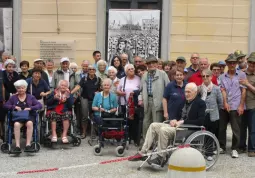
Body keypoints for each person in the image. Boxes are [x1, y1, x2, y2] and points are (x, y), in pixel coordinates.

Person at [129, 83, 206, 164]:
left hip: (187, 129)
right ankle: (143, 152)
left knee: (164, 130)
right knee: (153, 125)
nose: (186, 94)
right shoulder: (184, 102)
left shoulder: (200, 103)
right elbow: (178, 116)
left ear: (195, 92)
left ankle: (161, 157)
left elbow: (200, 121)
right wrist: (174, 120)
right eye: (185, 92)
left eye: (189, 92)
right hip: (178, 126)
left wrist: (183, 122)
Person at [218, 53, 246, 158]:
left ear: (237, 63)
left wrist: (241, 105)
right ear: (227, 64)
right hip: (224, 105)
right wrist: (225, 103)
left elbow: (243, 91)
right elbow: (222, 90)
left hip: (236, 105)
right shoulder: (222, 76)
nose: (232, 64)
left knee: (236, 128)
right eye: (230, 63)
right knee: (222, 128)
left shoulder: (242, 75)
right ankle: (222, 146)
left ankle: (235, 148)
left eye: (234, 63)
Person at [4, 80, 42, 153]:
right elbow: (5, 105)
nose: (21, 89)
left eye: (22, 88)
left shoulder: (31, 97)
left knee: (30, 123)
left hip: (29, 116)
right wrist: (14, 107)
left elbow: (39, 105)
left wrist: (30, 108)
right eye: (19, 88)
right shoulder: (13, 97)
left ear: (25, 88)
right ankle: (17, 146)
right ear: (16, 89)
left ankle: (28, 145)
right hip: (18, 117)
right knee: (16, 124)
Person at [139, 56, 170, 138]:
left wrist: (165, 103)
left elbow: (168, 89)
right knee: (146, 122)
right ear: (147, 65)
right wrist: (140, 99)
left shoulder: (163, 74)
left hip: (158, 101)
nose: (151, 65)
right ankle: (146, 143)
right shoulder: (145, 75)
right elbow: (140, 90)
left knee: (157, 123)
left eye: (153, 63)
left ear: (157, 64)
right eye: (149, 63)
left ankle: (156, 144)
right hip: (147, 101)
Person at [71, 65, 101, 138]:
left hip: (94, 99)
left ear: (95, 71)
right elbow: (78, 87)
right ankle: (84, 132)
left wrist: (99, 92)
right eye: (90, 69)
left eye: (93, 69)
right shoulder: (84, 79)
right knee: (84, 116)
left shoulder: (98, 79)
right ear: (88, 70)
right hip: (84, 98)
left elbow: (101, 89)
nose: (91, 71)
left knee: (93, 116)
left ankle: (92, 133)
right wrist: (70, 93)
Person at [117, 64, 140, 144]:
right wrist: (120, 93)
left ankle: (135, 138)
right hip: (125, 103)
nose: (131, 70)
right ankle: (127, 138)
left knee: (135, 122)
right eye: (129, 69)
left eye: (132, 68)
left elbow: (141, 90)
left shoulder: (138, 79)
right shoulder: (123, 79)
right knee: (126, 121)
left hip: (135, 104)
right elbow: (117, 91)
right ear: (126, 71)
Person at [239, 52, 255, 156]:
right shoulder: (241, 73)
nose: (252, 64)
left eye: (254, 63)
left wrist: (247, 84)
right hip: (241, 104)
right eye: (251, 62)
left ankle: (252, 149)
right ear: (247, 62)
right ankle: (241, 147)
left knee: (253, 128)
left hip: (253, 104)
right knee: (241, 128)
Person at [199, 69, 223, 138]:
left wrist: (214, 109)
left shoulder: (216, 88)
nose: (205, 77)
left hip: (213, 116)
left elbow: (220, 103)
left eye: (207, 76)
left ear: (211, 77)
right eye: (203, 76)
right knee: (203, 135)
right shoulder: (199, 88)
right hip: (203, 116)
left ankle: (212, 148)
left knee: (212, 135)